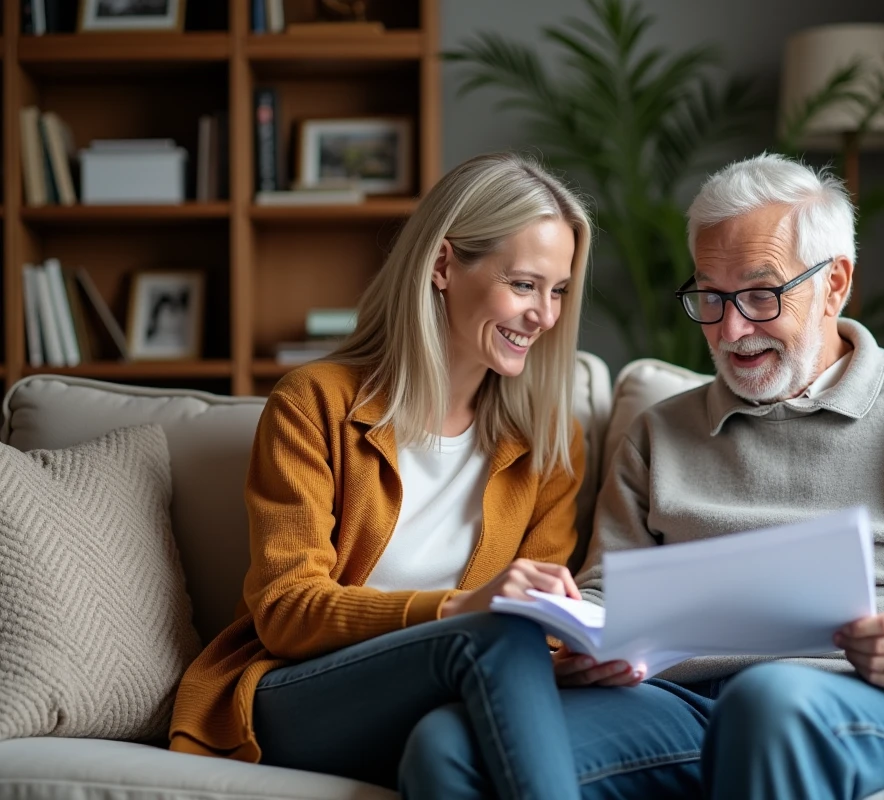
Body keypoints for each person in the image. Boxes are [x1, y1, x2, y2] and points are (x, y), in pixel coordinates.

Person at [409, 153, 884, 800]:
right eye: (710, 296)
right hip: (677, 707)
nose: (732, 328)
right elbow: (606, 595)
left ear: (835, 284)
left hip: (874, 704)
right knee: (451, 744)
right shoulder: (658, 434)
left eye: (762, 294)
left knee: (769, 702)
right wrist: (583, 641)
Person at [168, 152, 597, 799]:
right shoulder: (313, 403)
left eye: (558, 290)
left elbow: (539, 623)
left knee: (448, 749)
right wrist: (460, 610)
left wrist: (584, 652)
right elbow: (285, 612)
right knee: (490, 636)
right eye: (524, 284)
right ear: (444, 265)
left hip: (450, 688)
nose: (545, 314)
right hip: (296, 687)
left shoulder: (547, 442)